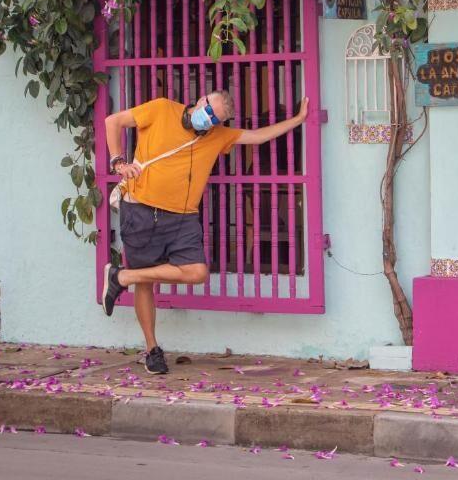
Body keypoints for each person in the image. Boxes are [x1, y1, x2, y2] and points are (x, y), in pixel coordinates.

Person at [101, 91, 310, 374]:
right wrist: (118, 162)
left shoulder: (218, 136)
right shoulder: (162, 109)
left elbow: (258, 136)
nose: (208, 119)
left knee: (197, 272)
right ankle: (152, 349)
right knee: (146, 284)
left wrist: (297, 119)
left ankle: (121, 276)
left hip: (183, 217)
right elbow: (113, 121)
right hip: (141, 209)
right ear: (201, 101)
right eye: (208, 111)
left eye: (215, 119)